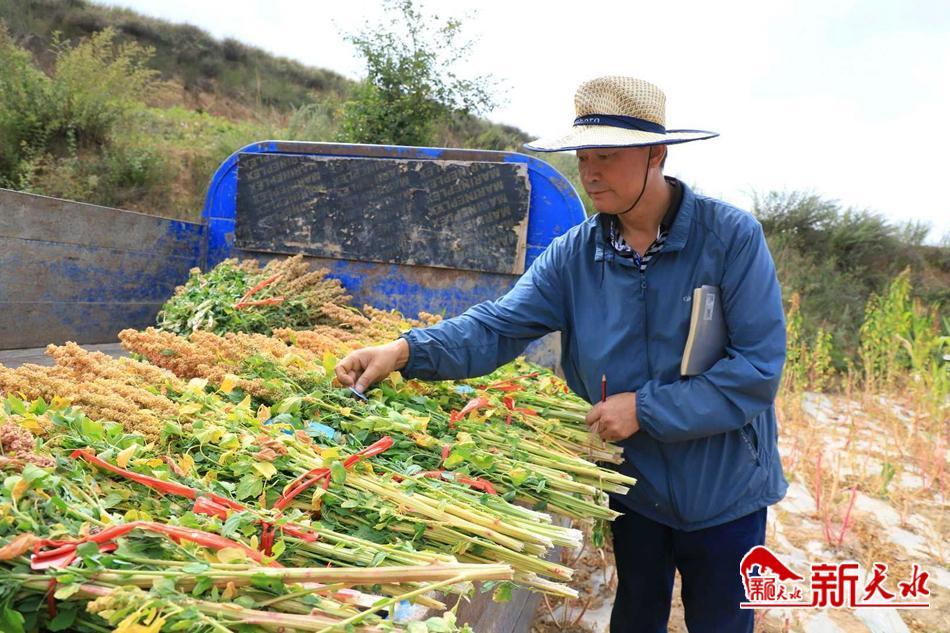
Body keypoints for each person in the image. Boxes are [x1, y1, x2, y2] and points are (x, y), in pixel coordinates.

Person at [335, 76, 788, 633]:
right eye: (583, 157)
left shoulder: (730, 238)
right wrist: (405, 350)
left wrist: (644, 409)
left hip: (726, 487)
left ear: (657, 154)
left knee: (721, 623)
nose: (590, 172)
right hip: (635, 484)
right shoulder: (577, 254)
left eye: (606, 156)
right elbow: (498, 326)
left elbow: (756, 369)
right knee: (637, 614)